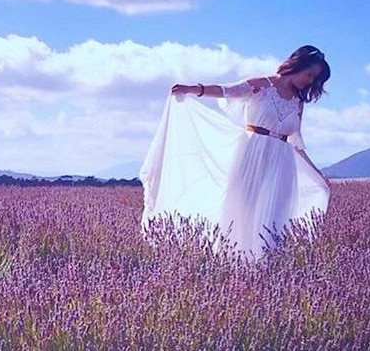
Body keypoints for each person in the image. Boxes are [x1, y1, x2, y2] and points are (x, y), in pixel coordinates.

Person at [139, 45, 332, 256]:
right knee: (242, 206)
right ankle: (236, 259)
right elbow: (227, 91)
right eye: (310, 74)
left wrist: (317, 172)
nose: (310, 81)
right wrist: (194, 89)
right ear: (298, 65)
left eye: (315, 79)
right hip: (252, 153)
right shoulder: (262, 85)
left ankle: (266, 264)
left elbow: (296, 142)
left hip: (282, 163)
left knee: (275, 214)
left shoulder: (298, 102)